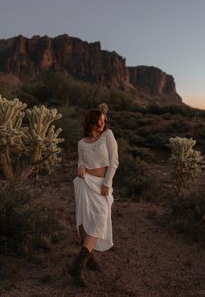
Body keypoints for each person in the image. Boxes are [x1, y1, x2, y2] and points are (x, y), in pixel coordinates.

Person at [70, 106, 119, 287]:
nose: (102, 124)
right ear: (91, 120)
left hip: (101, 185)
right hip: (84, 182)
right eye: (100, 120)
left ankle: (76, 266)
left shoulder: (108, 136)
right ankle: (88, 258)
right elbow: (80, 162)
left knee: (100, 219)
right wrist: (80, 167)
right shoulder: (82, 143)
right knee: (84, 219)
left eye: (104, 121)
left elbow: (114, 161)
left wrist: (107, 183)